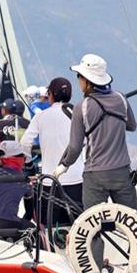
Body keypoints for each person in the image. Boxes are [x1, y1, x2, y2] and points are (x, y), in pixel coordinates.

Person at [55, 53, 137, 212]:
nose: (78, 80)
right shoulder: (121, 99)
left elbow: (74, 147)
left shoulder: (82, 107)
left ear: (87, 81)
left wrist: (63, 166)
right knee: (134, 220)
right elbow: (132, 126)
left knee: (92, 224)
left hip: (96, 174)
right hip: (121, 172)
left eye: (79, 76)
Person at [21, 77, 84, 225]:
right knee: (78, 228)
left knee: (50, 228)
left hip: (51, 182)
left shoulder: (40, 116)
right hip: (77, 179)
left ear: (51, 94)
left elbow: (24, 143)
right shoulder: (78, 113)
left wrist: (29, 164)